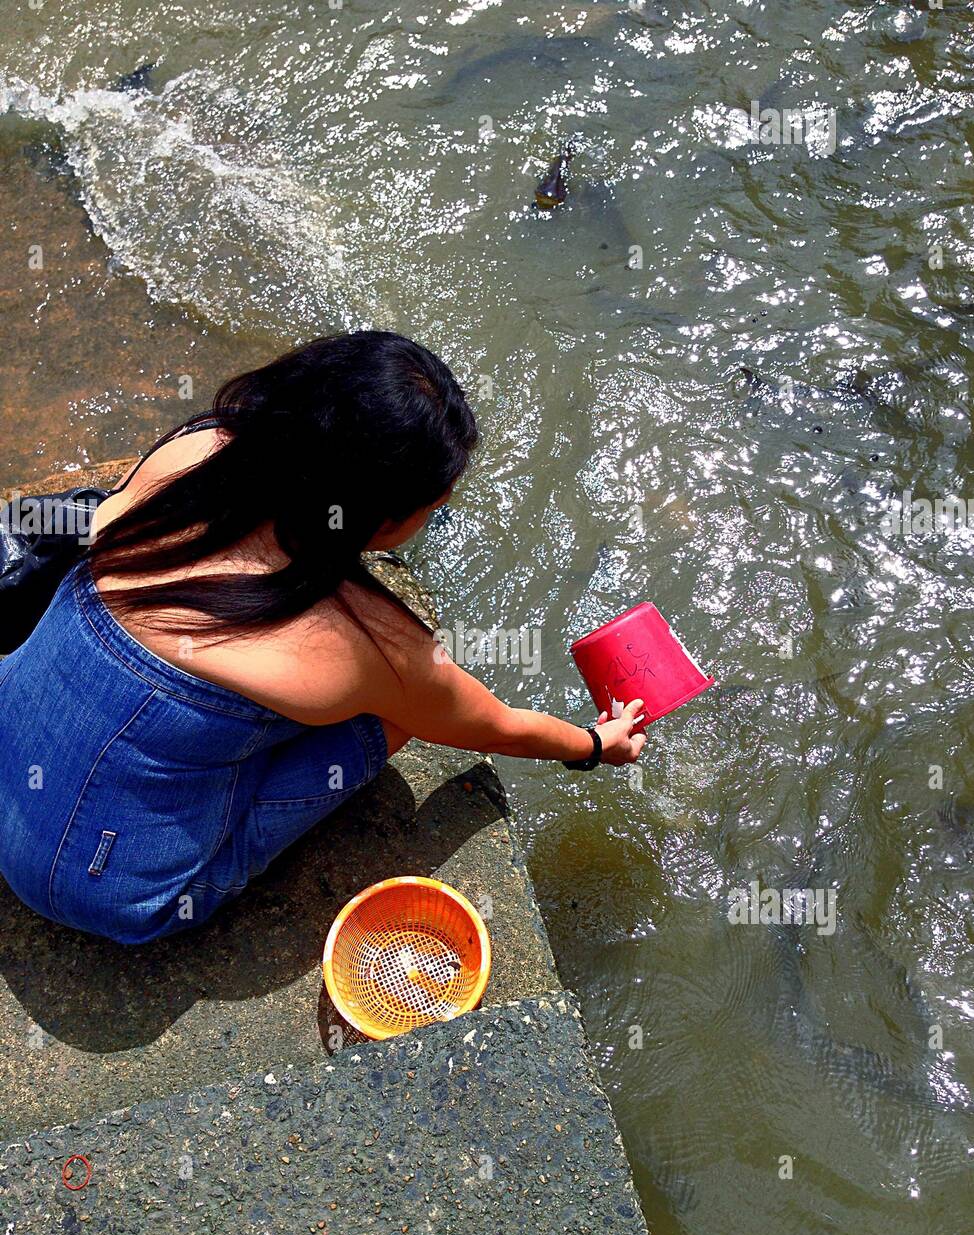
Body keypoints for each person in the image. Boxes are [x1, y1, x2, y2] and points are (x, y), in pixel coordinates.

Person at [0, 331, 645, 943]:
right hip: (110, 891)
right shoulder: (371, 644)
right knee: (388, 722)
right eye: (435, 499)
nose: (442, 507)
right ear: (383, 516)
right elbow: (490, 725)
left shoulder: (192, 454)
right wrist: (594, 743)